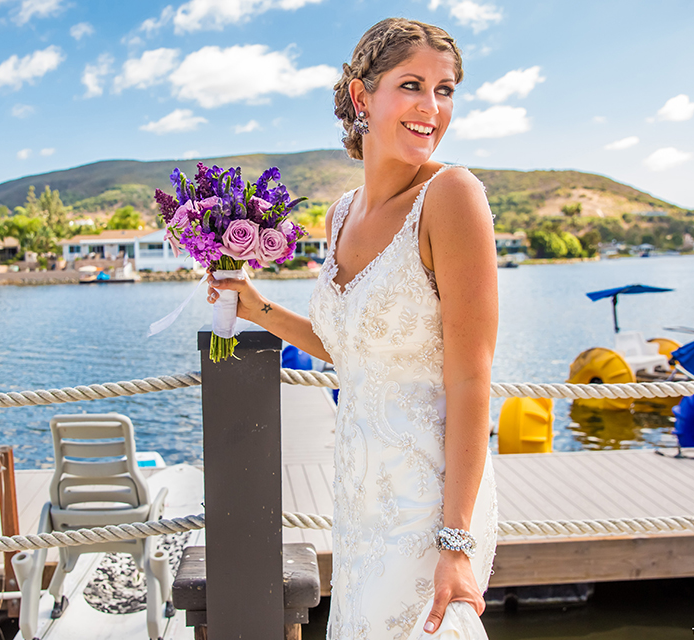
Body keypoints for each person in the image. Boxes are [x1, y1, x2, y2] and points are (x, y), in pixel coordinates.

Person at [207, 17, 499, 639]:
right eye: (413, 85)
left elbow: (473, 379)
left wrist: (455, 541)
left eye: (445, 90)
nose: (432, 107)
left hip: (431, 502)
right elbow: (349, 347)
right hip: (361, 494)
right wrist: (256, 305)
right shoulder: (342, 214)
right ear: (362, 97)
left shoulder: (452, 197)